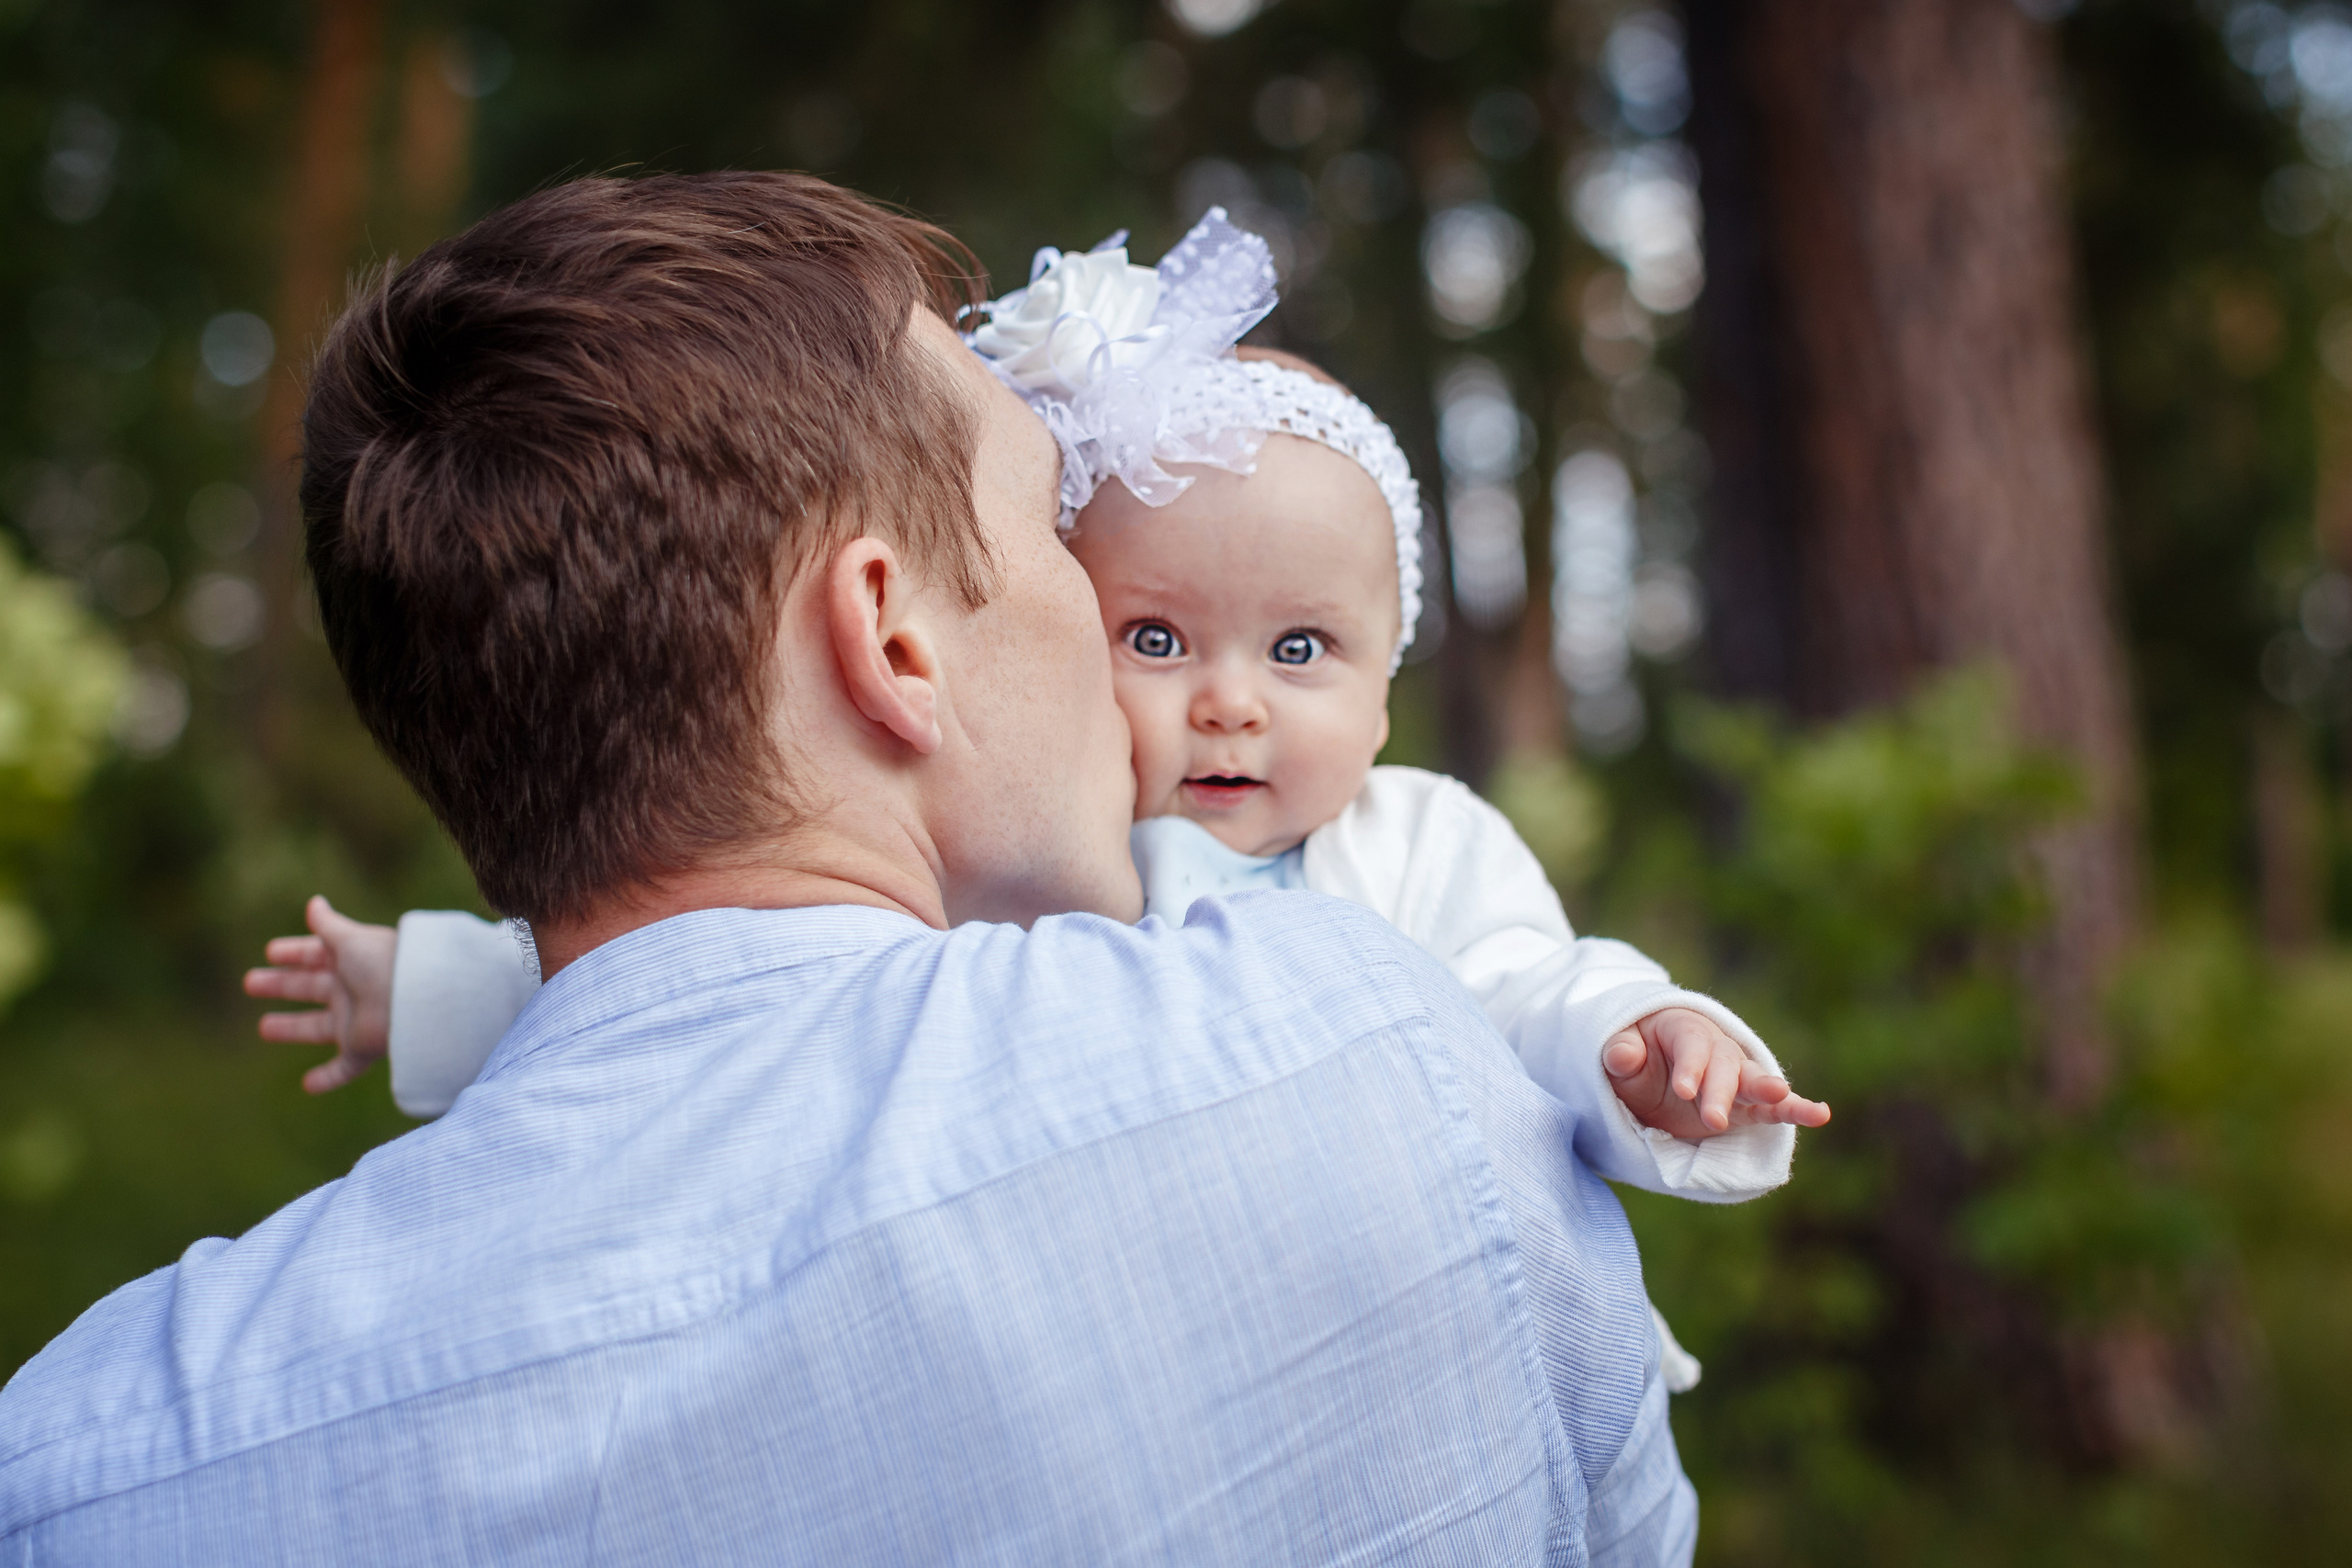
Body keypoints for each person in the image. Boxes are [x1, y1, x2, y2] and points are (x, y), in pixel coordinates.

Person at [3, 172, 1700, 1563]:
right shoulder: (1368, 1049)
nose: (1141, 673)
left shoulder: (82, 1473)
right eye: (1052, 526)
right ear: (891, 634)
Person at [252, 214, 1829, 1393]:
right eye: (1155, 638)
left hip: (1389, 1322)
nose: (1228, 699)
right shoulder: (1030, 867)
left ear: (1389, 687)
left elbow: (1528, 990)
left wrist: (1644, 1039)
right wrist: (435, 985)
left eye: (1301, 650)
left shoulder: (1411, 844)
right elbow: (719, 991)